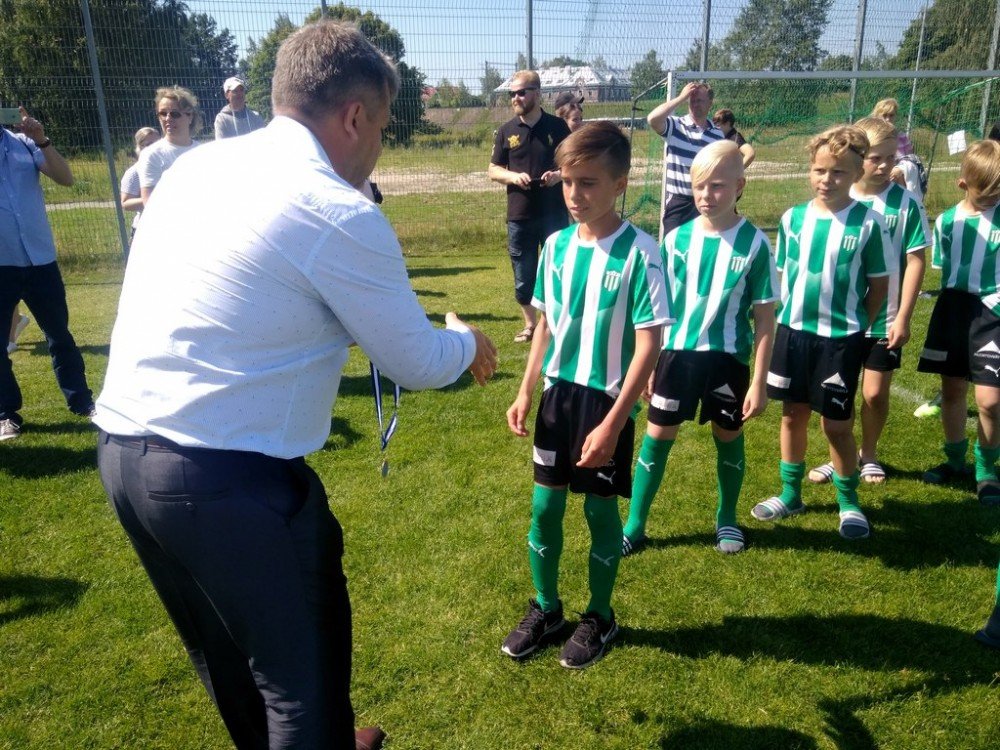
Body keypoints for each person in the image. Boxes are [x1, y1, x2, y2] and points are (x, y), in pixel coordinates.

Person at [94, 20, 498, 750]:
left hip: (124, 453)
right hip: (224, 478)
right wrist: (470, 343)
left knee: (229, 660)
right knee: (299, 687)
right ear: (354, 116)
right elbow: (414, 359)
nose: (378, 145)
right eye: (381, 127)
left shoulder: (197, 167)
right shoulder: (332, 207)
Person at [501, 122, 672, 669]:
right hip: (558, 399)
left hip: (605, 404)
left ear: (620, 184)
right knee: (544, 507)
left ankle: (600, 615)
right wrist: (526, 391)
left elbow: (650, 343)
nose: (575, 195)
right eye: (569, 182)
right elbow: (546, 327)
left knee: (600, 513)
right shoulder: (555, 246)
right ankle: (547, 608)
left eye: (589, 183)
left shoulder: (641, 253)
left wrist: (615, 423)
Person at [622, 139, 777, 557]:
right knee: (657, 436)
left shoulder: (755, 244)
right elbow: (658, 311)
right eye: (699, 186)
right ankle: (635, 524)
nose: (707, 195)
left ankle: (727, 518)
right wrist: (648, 364)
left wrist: (759, 381)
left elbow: (765, 320)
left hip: (727, 361)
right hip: (676, 357)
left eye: (718, 186)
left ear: (739, 186)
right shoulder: (675, 240)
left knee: (728, 436)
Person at [751, 125, 890, 541]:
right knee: (792, 414)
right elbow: (783, 274)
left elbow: (878, 286)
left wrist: (854, 328)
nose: (827, 179)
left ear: (857, 174)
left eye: (838, 172)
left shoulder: (868, 223)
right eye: (819, 170)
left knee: (836, 425)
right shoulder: (792, 218)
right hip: (792, 333)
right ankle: (790, 494)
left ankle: (848, 502)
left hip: (840, 340)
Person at [807, 117, 929, 485]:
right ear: (859, 158)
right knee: (837, 392)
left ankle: (869, 453)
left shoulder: (905, 203)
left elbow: (916, 259)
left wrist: (903, 316)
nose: (885, 166)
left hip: (884, 317)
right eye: (876, 158)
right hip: (841, 317)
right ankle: (840, 457)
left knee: (875, 393)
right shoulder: (840, 197)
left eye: (891, 157)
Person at [0, 106, 95, 440]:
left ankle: (82, 402)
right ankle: (5, 414)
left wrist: (42, 140)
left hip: (40, 260)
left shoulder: (25, 143)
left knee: (60, 336)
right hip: (2, 262)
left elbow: (66, 178)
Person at [916, 139, 1000, 506]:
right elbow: (946, 267)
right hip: (953, 309)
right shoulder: (948, 221)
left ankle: (986, 469)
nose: (993, 198)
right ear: (963, 183)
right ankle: (954, 460)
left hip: (992, 314)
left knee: (990, 400)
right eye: (987, 193)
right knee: (951, 390)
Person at [489, 70, 571, 343]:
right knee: (523, 273)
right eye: (512, 93)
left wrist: (558, 175)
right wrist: (513, 177)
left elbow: (573, 163)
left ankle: (557, 322)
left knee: (558, 268)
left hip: (553, 212)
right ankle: (530, 324)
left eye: (521, 92)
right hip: (520, 213)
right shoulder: (506, 131)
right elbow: (493, 169)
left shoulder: (557, 127)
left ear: (537, 93)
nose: (516, 98)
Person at [647, 82, 725, 236]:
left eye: (699, 101)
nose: (695, 104)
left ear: (710, 103)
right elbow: (652, 119)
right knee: (673, 246)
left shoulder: (717, 135)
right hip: (679, 203)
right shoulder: (676, 125)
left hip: (706, 201)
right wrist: (681, 97)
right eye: (692, 100)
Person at [138, 85, 200, 205]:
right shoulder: (151, 155)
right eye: (162, 113)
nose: (168, 118)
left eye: (175, 114)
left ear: (190, 116)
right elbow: (150, 203)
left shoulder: (202, 151)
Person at [119, 126, 160, 242]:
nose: (154, 148)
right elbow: (126, 203)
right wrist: (155, 200)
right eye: (149, 145)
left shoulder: (166, 166)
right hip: (144, 230)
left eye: (157, 144)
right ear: (139, 147)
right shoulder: (134, 172)